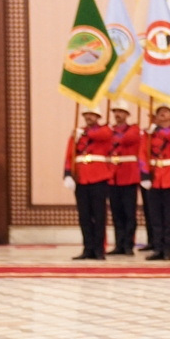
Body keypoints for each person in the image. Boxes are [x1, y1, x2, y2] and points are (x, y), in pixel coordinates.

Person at [65, 108, 114, 260]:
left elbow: (104, 135)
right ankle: (88, 248)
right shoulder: (77, 133)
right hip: (81, 178)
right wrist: (67, 174)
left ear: (98, 116)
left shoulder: (104, 130)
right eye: (86, 115)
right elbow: (69, 154)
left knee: (99, 216)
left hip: (98, 177)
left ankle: (99, 249)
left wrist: (85, 134)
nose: (89, 117)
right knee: (84, 216)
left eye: (92, 115)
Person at [142, 105, 170, 261]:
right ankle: (157, 248)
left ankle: (168, 250)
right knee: (155, 217)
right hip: (154, 178)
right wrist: (144, 175)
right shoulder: (149, 134)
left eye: (166, 114)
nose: (163, 117)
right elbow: (143, 154)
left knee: (168, 217)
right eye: (160, 114)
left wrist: (156, 131)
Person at [107, 103, 142, 255]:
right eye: (116, 111)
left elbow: (129, 139)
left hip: (129, 176)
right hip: (113, 176)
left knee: (129, 213)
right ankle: (118, 244)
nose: (118, 115)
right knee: (116, 213)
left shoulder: (133, 129)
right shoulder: (109, 130)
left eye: (121, 111)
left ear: (127, 114)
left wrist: (112, 134)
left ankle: (129, 244)